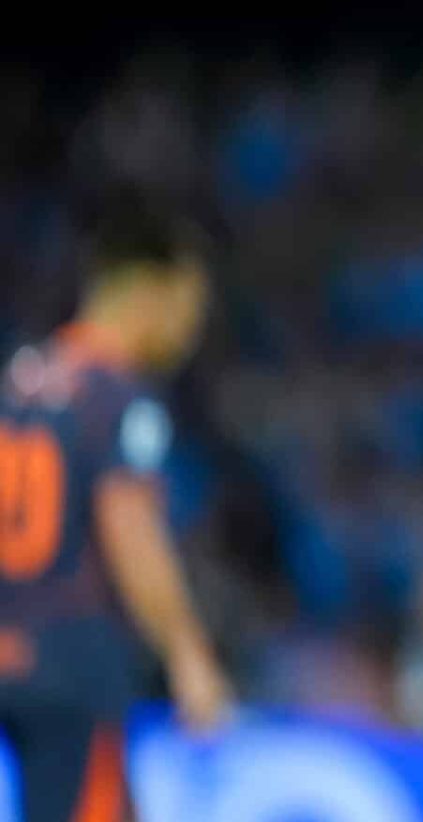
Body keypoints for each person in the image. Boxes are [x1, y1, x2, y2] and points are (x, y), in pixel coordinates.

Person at [0, 201, 232, 822]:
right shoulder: (118, 397)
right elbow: (130, 527)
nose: (190, 330)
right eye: (190, 306)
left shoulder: (17, 381)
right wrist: (188, 652)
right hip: (73, 663)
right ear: (152, 291)